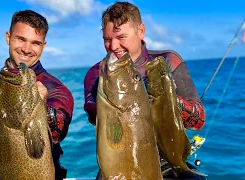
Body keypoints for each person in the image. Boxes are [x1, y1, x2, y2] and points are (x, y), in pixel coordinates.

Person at [83, 1, 206, 179]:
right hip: (121, 161)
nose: (113, 46)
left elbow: (198, 121)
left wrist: (167, 98)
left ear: (140, 31)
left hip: (167, 161)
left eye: (121, 37)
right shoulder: (98, 72)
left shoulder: (167, 61)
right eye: (107, 39)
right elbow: (93, 117)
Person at [0, 10, 74, 180]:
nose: (26, 49)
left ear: (43, 45)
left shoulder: (56, 89)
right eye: (21, 39)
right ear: (8, 37)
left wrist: (43, 108)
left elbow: (59, 131)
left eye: (35, 43)